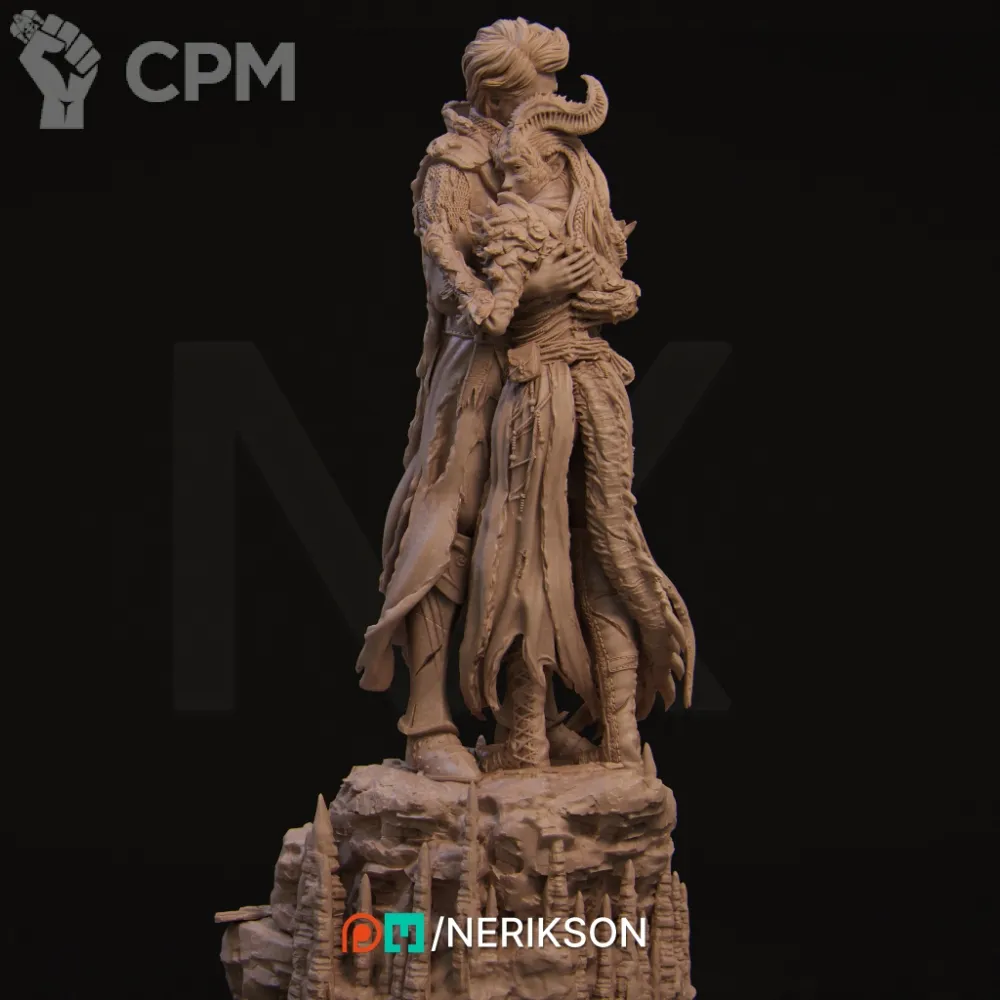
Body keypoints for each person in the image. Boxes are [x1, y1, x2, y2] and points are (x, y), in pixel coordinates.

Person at [355, 19, 597, 780]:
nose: (551, 103)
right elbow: (450, 291)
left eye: (553, 89)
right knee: (448, 525)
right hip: (475, 373)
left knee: (541, 530)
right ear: (494, 100)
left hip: (550, 366)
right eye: (535, 93)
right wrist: (539, 288)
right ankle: (427, 722)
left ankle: (531, 715)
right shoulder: (452, 168)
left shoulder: (557, 157)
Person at [453, 76, 697, 771]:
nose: (508, 178)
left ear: (551, 159)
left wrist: (533, 291)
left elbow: (492, 319)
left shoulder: (526, 223)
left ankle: (549, 735)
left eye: (519, 165)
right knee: (587, 550)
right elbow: (619, 296)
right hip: (588, 383)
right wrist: (573, 291)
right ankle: (598, 733)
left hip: (549, 389)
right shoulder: (579, 218)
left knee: (543, 554)